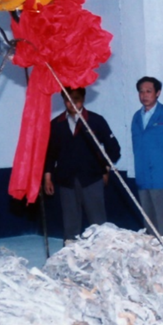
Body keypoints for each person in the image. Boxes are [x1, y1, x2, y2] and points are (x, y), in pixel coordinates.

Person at [44, 87, 121, 243]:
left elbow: (114, 148)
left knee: (98, 221)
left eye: (76, 99)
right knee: (70, 221)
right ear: (63, 101)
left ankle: (101, 249)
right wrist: (47, 177)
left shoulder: (95, 120)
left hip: (92, 178)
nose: (72, 103)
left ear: (83, 99)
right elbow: (50, 153)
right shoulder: (56, 124)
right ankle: (70, 250)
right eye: (68, 100)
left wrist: (105, 168)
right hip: (66, 180)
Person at [131, 76, 163, 247]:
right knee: (149, 229)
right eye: (141, 91)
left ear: (158, 93)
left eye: (149, 91)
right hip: (143, 180)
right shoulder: (136, 117)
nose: (144, 95)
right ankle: (154, 262)